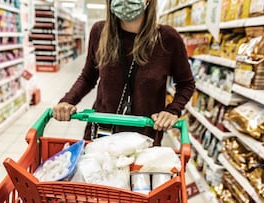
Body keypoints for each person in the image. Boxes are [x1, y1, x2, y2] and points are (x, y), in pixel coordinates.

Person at [53, 0, 195, 146]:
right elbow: (88, 77)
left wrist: (172, 110)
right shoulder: (99, 32)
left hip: (143, 139)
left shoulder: (167, 39)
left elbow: (186, 83)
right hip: (102, 132)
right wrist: (67, 101)